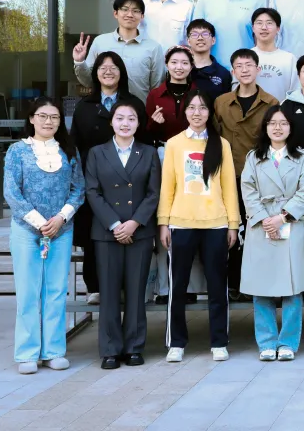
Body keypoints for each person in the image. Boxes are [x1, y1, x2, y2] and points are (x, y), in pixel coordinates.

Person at [158, 89, 241, 364]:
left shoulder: (221, 144)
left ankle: (219, 341)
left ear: (209, 113)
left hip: (216, 223)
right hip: (181, 223)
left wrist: (233, 224)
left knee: (218, 286)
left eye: (202, 108)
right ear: (185, 112)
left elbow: (229, 187)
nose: (197, 112)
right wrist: (163, 222)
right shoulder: (174, 144)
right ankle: (176, 342)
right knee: (178, 287)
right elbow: (167, 186)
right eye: (192, 107)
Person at [3, 97, 85, 375]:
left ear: (61, 122)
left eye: (54, 117)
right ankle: (27, 352)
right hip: (26, 230)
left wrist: (61, 218)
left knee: (56, 291)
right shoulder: (17, 151)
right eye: (43, 116)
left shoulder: (69, 151)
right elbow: (12, 192)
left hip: (61, 230)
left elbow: (78, 190)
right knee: (28, 292)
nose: (48, 121)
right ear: (31, 118)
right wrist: (39, 223)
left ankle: (53, 351)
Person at [84, 99, 161, 369]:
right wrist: (116, 224)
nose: (125, 123)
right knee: (108, 293)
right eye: (120, 118)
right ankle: (110, 349)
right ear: (111, 122)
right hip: (107, 233)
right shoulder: (97, 153)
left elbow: (154, 193)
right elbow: (92, 191)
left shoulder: (148, 153)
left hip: (140, 232)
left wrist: (135, 223)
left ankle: (134, 347)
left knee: (136, 291)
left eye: (131, 119)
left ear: (138, 124)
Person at [239, 106, 304, 361]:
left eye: (283, 123)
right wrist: (265, 219)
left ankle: (288, 343)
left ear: (290, 128)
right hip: (261, 226)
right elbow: (247, 189)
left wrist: (282, 217)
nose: (277, 127)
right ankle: (266, 342)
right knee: (261, 287)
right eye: (272, 123)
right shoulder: (254, 157)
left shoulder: (302, 157)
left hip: (291, 223)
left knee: (293, 288)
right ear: (265, 127)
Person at [71, 51, 148, 305]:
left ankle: (126, 287)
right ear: (95, 73)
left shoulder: (133, 103)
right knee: (95, 233)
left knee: (128, 230)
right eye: (102, 67)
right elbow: (74, 146)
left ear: (121, 72)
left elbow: (144, 140)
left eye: (113, 67)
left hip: (129, 178)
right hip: (93, 180)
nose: (108, 71)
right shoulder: (85, 106)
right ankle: (95, 286)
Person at [215, 49, 280, 299]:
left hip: (260, 179)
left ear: (258, 69)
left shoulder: (271, 103)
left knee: (261, 230)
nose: (244, 70)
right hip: (229, 176)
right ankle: (234, 284)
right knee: (232, 230)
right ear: (233, 71)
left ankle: (264, 285)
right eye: (239, 66)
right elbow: (214, 138)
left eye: (249, 65)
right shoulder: (221, 102)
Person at [145, 46, 205, 305]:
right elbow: (145, 133)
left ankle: (191, 287)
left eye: (184, 63)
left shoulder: (199, 94)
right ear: (167, 65)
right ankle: (165, 288)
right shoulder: (155, 95)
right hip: (162, 154)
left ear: (192, 66)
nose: (179, 67)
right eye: (174, 62)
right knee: (166, 216)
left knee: (191, 217)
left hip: (194, 156)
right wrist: (153, 123)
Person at [73, 0, 165, 103]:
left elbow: (157, 88)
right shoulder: (100, 42)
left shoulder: (153, 48)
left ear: (142, 16)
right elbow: (88, 81)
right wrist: (79, 61)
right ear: (116, 13)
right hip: (104, 110)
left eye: (136, 11)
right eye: (125, 9)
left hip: (138, 110)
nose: (130, 15)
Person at [250, 8, 299, 102]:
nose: (264, 27)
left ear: (278, 28)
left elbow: (296, 91)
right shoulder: (245, 58)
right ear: (253, 28)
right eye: (259, 23)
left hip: (281, 110)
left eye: (269, 23)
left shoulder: (289, 59)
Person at [185, 19, 233, 100]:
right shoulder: (182, 70)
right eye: (194, 34)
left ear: (213, 40)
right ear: (188, 41)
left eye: (205, 34)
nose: (200, 38)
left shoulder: (223, 74)